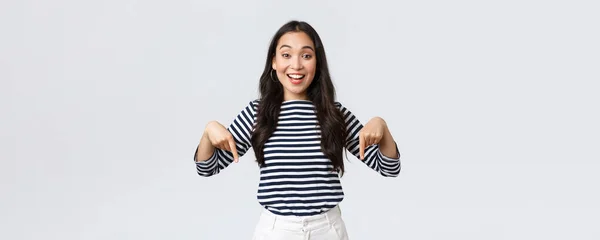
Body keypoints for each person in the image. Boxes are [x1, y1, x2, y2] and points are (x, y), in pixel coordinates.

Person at [194, 20, 401, 240]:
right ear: (273, 62)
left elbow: (388, 167)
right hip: (276, 231)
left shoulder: (335, 114)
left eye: (306, 55)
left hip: (328, 230)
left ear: (317, 63)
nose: (296, 65)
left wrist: (382, 126)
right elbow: (208, 168)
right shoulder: (257, 113)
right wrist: (208, 131)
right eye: (286, 55)